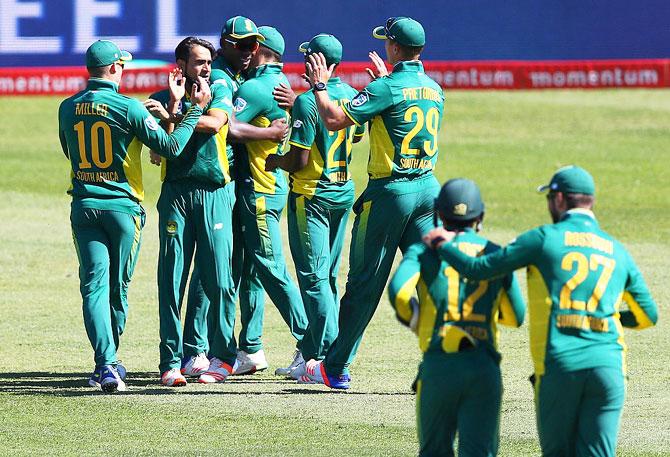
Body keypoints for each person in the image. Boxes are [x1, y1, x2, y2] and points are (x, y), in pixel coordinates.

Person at [423, 166, 658, 456]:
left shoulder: (543, 238)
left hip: (561, 366)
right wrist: (603, 317)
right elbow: (649, 315)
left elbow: (479, 269)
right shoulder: (617, 249)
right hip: (610, 368)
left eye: (550, 198)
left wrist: (442, 245)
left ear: (559, 199)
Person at [300, 17, 445, 389]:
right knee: (432, 281)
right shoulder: (433, 88)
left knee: (364, 284)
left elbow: (333, 120)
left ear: (395, 48)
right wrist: (383, 84)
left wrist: (319, 86)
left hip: (390, 194)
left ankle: (334, 367)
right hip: (429, 192)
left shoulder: (388, 87)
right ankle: (441, 362)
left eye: (387, 42)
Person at [58, 39, 208, 392]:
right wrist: (193, 112)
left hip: (84, 206)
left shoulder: (67, 107)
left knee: (93, 287)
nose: (123, 70)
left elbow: (70, 151)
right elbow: (170, 147)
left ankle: (105, 364)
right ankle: (109, 363)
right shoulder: (129, 108)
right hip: (124, 210)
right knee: (117, 289)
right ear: (112, 69)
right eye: (121, 65)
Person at [388, 178, 526, 456]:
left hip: (439, 366)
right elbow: (515, 316)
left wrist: (417, 320)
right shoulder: (494, 253)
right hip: (484, 368)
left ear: (438, 213)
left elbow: (398, 293)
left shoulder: (424, 250)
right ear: (481, 217)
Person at [265, 34, 365, 379]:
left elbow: (299, 158)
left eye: (308, 57)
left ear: (316, 62)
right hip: (343, 191)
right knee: (328, 277)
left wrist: (275, 161)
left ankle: (324, 358)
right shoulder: (352, 95)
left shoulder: (308, 102)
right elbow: (357, 135)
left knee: (313, 279)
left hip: (312, 196)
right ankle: (314, 350)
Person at [145, 36, 239, 386]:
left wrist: (176, 113)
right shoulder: (160, 96)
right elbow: (163, 147)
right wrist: (171, 110)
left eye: (209, 63)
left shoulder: (220, 90)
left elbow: (215, 124)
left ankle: (223, 357)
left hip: (214, 191)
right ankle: (170, 362)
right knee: (170, 279)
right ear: (181, 64)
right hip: (176, 193)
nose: (206, 69)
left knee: (218, 278)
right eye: (199, 62)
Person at [231, 26, 310, 374]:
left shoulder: (254, 87)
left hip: (259, 190)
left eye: (251, 46)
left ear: (261, 49)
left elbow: (228, 126)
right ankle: (250, 349)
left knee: (270, 267)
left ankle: (313, 344)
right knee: (252, 270)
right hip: (275, 186)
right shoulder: (284, 87)